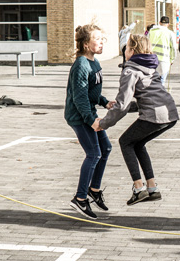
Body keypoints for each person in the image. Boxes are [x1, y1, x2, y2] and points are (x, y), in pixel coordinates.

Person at [96, 34, 179, 205]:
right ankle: (152, 188)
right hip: (169, 113)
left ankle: (138, 188)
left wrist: (103, 124)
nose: (124, 50)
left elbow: (123, 106)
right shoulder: (150, 66)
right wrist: (118, 107)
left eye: (126, 48)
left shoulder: (130, 71)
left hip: (155, 115)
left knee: (125, 142)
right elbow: (147, 98)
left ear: (132, 51)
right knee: (138, 143)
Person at [65, 24, 115, 220]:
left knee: (106, 149)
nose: (102, 42)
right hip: (79, 116)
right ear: (86, 44)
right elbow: (79, 98)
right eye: (97, 39)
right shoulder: (81, 65)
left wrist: (104, 102)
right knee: (94, 154)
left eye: (103, 38)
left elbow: (92, 92)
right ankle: (80, 198)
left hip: (89, 113)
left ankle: (93, 189)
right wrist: (91, 120)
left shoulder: (94, 62)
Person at [149, 16, 176, 85]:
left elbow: (146, 44)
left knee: (152, 79)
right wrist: (172, 59)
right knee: (162, 80)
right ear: (168, 24)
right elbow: (173, 47)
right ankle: (160, 94)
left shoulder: (151, 31)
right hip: (164, 59)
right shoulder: (170, 33)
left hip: (152, 58)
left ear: (159, 23)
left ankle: (153, 94)